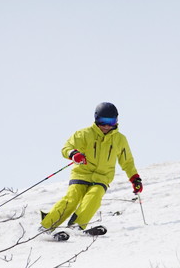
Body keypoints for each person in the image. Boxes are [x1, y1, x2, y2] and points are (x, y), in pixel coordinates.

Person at [40, 102, 143, 237]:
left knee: (94, 197)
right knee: (72, 199)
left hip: (102, 177)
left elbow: (127, 161)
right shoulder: (84, 134)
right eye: (103, 121)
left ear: (116, 121)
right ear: (96, 119)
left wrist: (135, 178)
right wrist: (74, 154)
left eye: (111, 122)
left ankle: (76, 226)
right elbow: (67, 148)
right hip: (82, 174)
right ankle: (46, 226)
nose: (106, 126)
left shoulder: (120, 139)